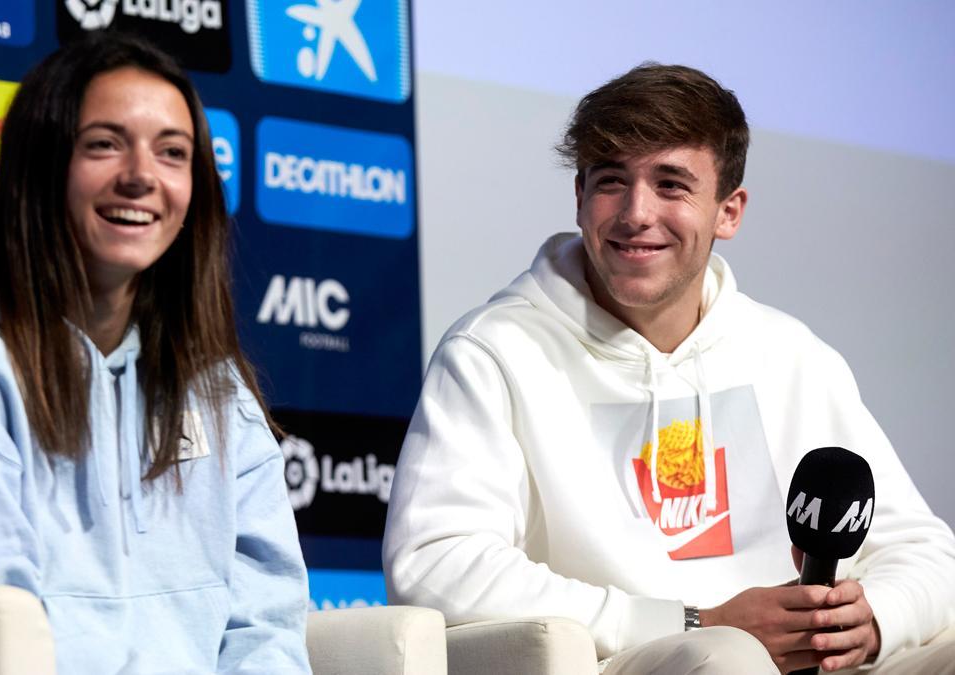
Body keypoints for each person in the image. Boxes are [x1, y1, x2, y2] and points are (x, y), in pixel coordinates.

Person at [383, 63, 955, 674]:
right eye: (611, 181)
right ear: (579, 198)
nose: (636, 212)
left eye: (671, 184)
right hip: (630, 660)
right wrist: (691, 623)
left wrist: (872, 621)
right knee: (728, 660)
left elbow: (925, 551)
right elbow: (435, 562)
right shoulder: (493, 352)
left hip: (810, 665)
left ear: (728, 212)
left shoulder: (792, 355)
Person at [0, 33, 312, 674]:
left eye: (172, 152)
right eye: (104, 144)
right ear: (44, 166)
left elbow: (266, 627)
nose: (140, 176)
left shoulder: (216, 389)